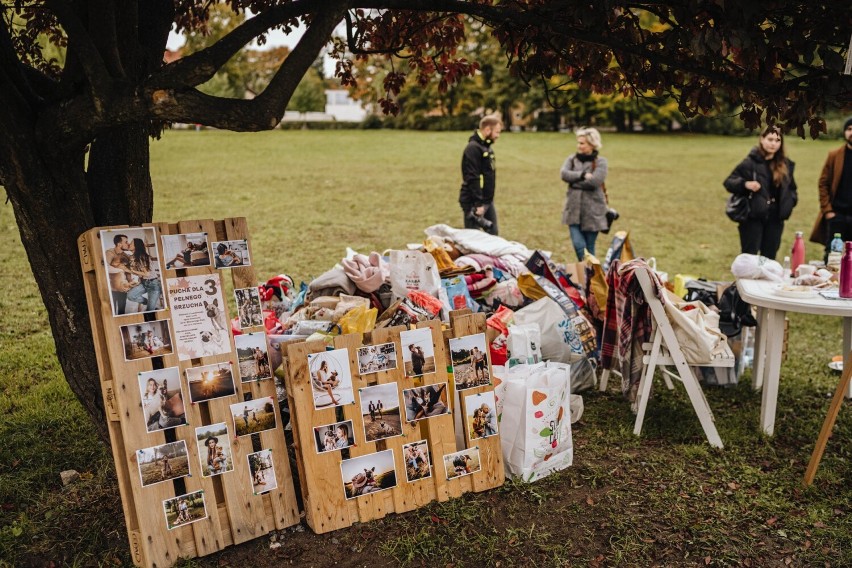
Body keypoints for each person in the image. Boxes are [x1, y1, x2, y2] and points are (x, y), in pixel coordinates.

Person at [724, 125, 798, 259]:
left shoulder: (785, 165)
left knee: (769, 258)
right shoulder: (750, 163)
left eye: (777, 140)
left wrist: (790, 202)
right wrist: (745, 184)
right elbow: (729, 182)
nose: (773, 144)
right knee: (749, 258)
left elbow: (792, 188)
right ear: (762, 139)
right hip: (753, 217)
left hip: (775, 218)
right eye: (770, 139)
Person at [560, 127, 609, 260]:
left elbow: (594, 182)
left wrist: (573, 181)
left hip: (593, 212)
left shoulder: (601, 162)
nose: (579, 146)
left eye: (582, 143)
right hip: (573, 209)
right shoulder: (572, 159)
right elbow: (564, 174)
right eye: (578, 142)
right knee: (579, 245)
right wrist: (582, 175)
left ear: (592, 144)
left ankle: (590, 277)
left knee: (589, 246)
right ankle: (591, 272)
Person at [810, 117, 852, 255]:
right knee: (832, 257)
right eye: (849, 129)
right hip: (837, 215)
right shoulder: (835, 156)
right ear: (845, 132)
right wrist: (828, 211)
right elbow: (823, 183)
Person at [459, 114, 503, 235]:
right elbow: (473, 177)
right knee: (473, 238)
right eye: (497, 132)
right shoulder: (473, 148)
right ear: (488, 129)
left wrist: (487, 200)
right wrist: (478, 204)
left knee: (493, 233)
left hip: (487, 201)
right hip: (474, 201)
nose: (498, 136)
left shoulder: (486, 147)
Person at [126, 238, 163, 312]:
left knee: (149, 310)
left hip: (153, 285)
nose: (129, 244)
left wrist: (133, 271)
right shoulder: (134, 257)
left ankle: (151, 306)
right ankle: (147, 303)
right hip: (144, 283)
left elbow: (147, 274)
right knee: (130, 295)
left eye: (132, 243)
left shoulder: (141, 256)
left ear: (136, 246)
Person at [105, 233, 133, 314]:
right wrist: (120, 270)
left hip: (122, 288)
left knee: (122, 311)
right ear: (119, 244)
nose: (128, 244)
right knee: (111, 311)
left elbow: (128, 272)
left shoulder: (125, 255)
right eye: (126, 242)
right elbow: (105, 268)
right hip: (111, 289)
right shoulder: (109, 252)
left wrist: (130, 282)